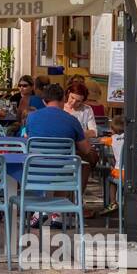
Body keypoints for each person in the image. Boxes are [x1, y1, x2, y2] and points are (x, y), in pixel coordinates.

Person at [25, 83, 99, 226]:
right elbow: (85, 149)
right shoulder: (72, 120)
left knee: (52, 165)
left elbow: (28, 138)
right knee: (72, 165)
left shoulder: (32, 118)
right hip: (63, 170)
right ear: (63, 98)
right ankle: (57, 213)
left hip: (36, 169)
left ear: (44, 101)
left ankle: (41, 210)